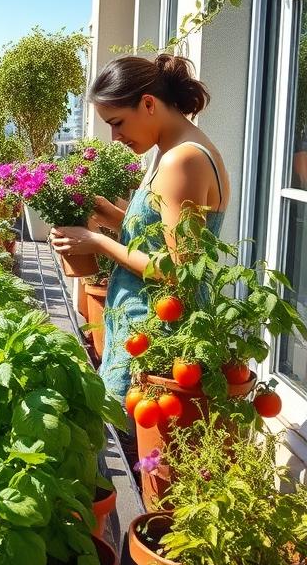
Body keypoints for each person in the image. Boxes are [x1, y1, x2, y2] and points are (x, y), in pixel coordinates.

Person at [49, 54, 230, 402]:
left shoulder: (183, 160)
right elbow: (159, 238)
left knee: (140, 447)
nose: (115, 136)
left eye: (117, 122)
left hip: (159, 334)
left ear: (148, 103)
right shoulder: (168, 152)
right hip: (144, 327)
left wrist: (96, 243)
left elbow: (178, 270)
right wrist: (109, 215)